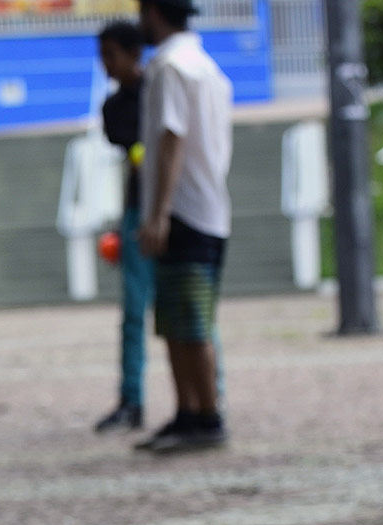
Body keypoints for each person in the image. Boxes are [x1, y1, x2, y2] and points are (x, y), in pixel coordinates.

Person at [132, 0, 232, 453]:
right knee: (178, 318)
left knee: (188, 321)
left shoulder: (169, 66)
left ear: (153, 12)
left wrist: (158, 214)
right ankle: (189, 412)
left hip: (184, 211)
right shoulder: (206, 67)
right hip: (208, 207)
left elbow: (171, 137)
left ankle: (206, 414)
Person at [93, 21, 155, 433]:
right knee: (133, 313)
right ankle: (131, 401)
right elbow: (131, 145)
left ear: (135, 53)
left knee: (191, 309)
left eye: (111, 55)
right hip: (137, 211)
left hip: (176, 213)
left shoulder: (163, 88)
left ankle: (207, 398)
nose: (106, 65)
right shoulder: (114, 107)